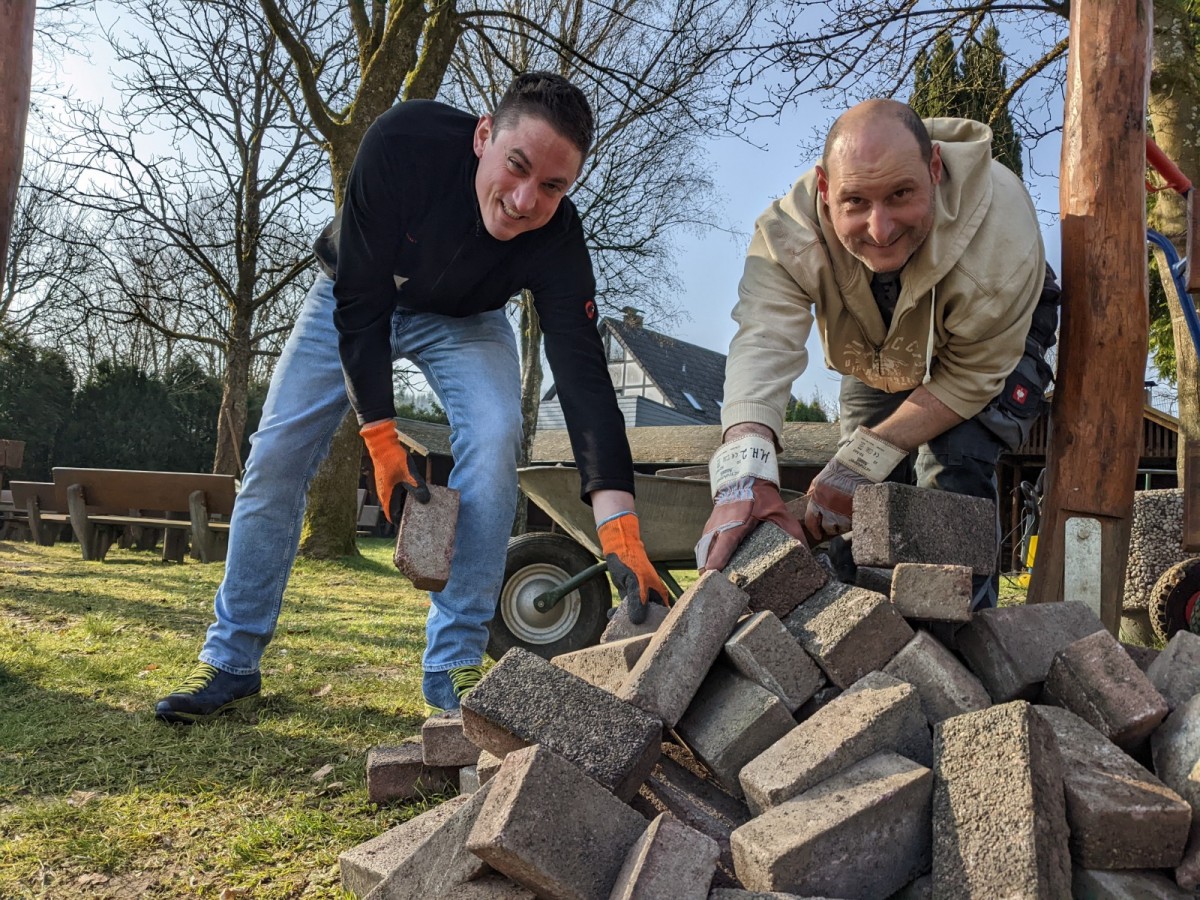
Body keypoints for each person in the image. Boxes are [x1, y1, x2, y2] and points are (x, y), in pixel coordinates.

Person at [155, 72, 668, 724]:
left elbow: (584, 374)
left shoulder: (559, 237)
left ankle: (452, 669)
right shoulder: (405, 141)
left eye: (551, 186)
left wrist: (619, 527)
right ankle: (231, 661)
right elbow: (361, 308)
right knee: (278, 450)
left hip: (467, 323)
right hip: (358, 291)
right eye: (515, 167)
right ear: (484, 135)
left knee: (495, 435)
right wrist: (379, 440)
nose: (522, 200)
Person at [697, 98, 1059, 609]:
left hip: (991, 340)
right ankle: (859, 624)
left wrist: (863, 459)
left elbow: (967, 381)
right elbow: (764, 339)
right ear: (824, 191)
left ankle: (958, 642)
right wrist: (744, 474)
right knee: (861, 496)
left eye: (901, 194)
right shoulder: (788, 235)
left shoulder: (1000, 247)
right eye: (856, 203)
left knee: (948, 471)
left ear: (934, 169)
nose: (880, 228)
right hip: (880, 342)